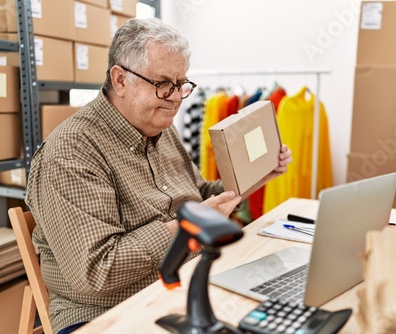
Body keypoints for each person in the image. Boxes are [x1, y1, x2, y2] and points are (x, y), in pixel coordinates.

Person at [25, 17, 292, 334]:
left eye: (181, 85)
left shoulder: (162, 129)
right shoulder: (70, 154)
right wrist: (186, 226)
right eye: (163, 84)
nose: (177, 98)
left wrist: (258, 177)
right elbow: (98, 272)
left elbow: (203, 194)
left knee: (285, 312)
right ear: (121, 79)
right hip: (106, 313)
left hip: (185, 282)